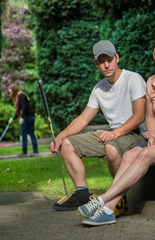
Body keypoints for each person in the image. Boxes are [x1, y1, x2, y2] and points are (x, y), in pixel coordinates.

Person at [77, 33, 155, 226]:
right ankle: (109, 210)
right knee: (127, 156)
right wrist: (151, 135)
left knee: (144, 156)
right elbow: (150, 116)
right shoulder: (152, 81)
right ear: (154, 57)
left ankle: (103, 200)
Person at [50, 40, 147, 213]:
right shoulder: (98, 89)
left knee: (111, 148)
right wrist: (59, 137)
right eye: (101, 62)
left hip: (135, 133)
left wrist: (115, 133)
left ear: (117, 58)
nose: (106, 65)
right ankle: (81, 193)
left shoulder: (133, 79)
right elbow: (82, 119)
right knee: (67, 144)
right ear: (96, 64)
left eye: (109, 59)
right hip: (114, 133)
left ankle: (119, 198)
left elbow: (139, 116)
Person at [8, 84, 39, 156]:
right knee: (29, 133)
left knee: (27, 134)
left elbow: (24, 107)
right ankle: (32, 151)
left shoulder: (21, 96)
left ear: (14, 90)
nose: (11, 94)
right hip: (29, 116)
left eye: (11, 92)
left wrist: (22, 117)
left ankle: (26, 152)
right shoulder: (20, 96)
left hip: (28, 117)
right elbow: (19, 111)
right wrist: (13, 118)